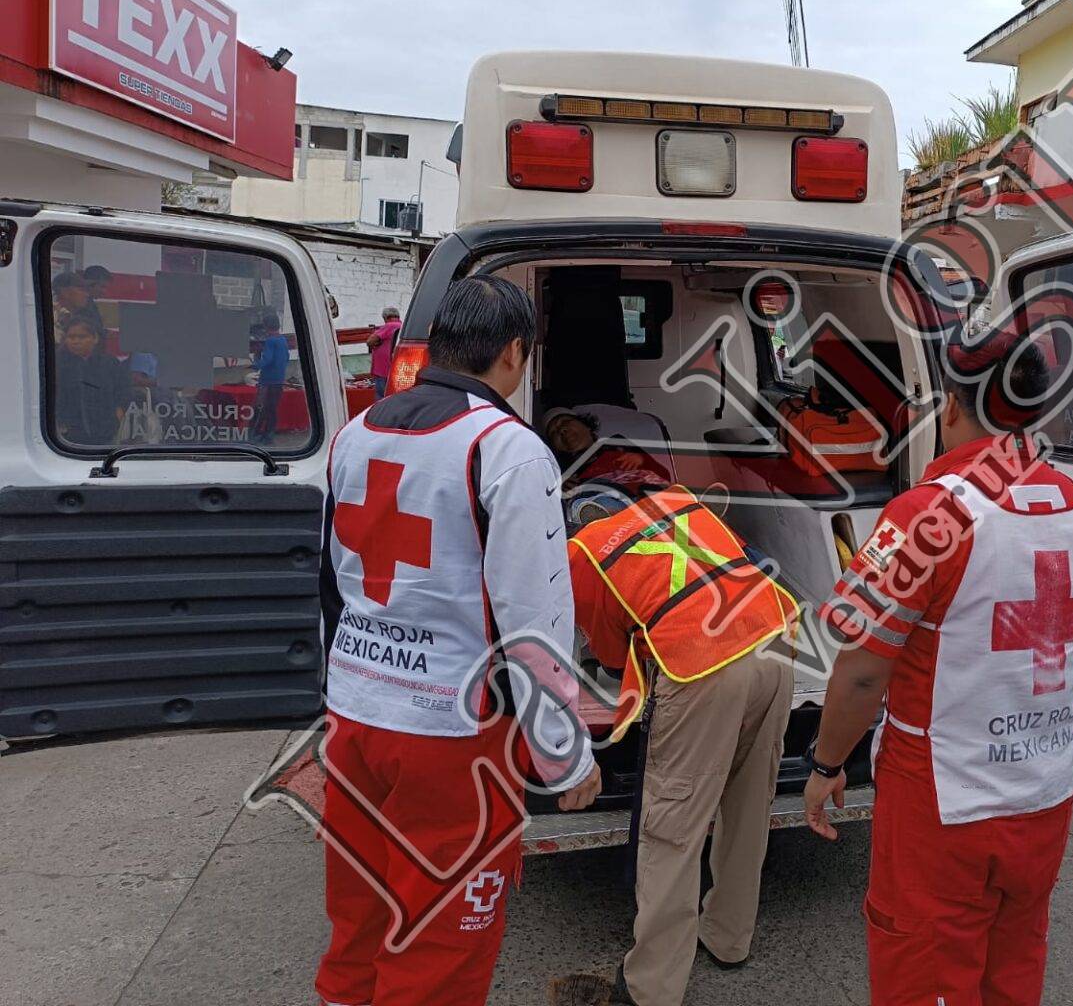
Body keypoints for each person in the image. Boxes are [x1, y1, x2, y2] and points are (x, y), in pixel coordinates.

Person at [803, 328, 1073, 1006]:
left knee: (923, 969)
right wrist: (1044, 732)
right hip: (1045, 792)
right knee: (1014, 963)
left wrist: (827, 762)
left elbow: (861, 672)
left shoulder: (926, 517)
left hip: (940, 797)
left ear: (951, 405)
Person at [315, 275, 601, 1006]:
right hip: (452, 733)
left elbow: (331, 584)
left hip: (354, 717)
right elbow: (534, 620)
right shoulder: (507, 449)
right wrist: (565, 755)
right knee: (440, 942)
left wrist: (337, 692)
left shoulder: (356, 432)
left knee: (359, 916)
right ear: (514, 353)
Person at [567, 487, 797, 1006]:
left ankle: (651, 987)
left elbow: (609, 652)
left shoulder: (583, 554)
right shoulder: (676, 500)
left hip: (702, 665)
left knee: (672, 825)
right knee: (749, 802)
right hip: (774, 639)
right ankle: (729, 938)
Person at [544, 407, 670, 496]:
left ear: (586, 425)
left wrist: (642, 460)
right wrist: (562, 491)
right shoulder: (563, 475)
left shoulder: (617, 444)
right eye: (553, 433)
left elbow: (663, 475)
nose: (561, 430)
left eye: (565, 422)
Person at [53, 315, 129, 445]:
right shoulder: (57, 364)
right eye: (71, 337)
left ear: (95, 338)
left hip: (104, 432)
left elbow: (124, 389)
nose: (76, 341)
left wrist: (118, 412)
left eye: (82, 337)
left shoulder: (109, 363)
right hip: (66, 436)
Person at [250, 311, 291, 445]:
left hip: (267, 381)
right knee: (272, 409)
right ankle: (269, 434)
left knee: (261, 408)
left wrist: (255, 364)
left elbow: (267, 360)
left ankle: (254, 434)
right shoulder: (282, 340)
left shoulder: (270, 341)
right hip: (278, 380)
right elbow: (286, 357)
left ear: (266, 326)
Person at [367, 305, 404, 398]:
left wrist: (377, 342)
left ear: (385, 317)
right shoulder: (403, 326)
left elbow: (370, 341)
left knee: (381, 398)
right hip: (396, 369)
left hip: (383, 370)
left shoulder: (389, 326)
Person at [51, 270, 99, 341]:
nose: (87, 295)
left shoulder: (84, 316)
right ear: (65, 292)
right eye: (81, 290)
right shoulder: (52, 318)